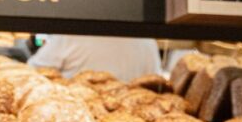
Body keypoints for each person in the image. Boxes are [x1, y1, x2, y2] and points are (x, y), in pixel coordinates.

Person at [28, 34, 163, 82]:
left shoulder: (71, 35)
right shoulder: (147, 41)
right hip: (136, 120)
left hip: (73, 118)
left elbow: (32, 70)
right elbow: (156, 80)